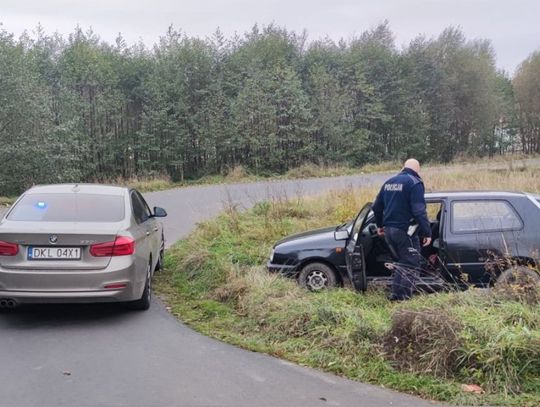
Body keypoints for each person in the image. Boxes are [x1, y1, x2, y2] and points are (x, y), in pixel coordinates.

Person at [372, 158, 431, 300]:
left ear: (404, 167)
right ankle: (403, 298)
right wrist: (427, 232)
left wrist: (380, 226)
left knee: (403, 263)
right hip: (405, 231)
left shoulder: (389, 182)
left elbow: (376, 207)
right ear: (418, 169)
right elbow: (419, 211)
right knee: (411, 264)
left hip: (389, 232)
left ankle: (395, 295)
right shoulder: (414, 183)